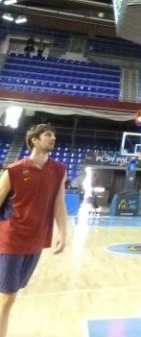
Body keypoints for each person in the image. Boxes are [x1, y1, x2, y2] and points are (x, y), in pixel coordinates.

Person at [0, 123, 67, 337]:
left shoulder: (59, 170)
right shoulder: (14, 170)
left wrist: (63, 234)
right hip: (11, 239)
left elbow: (59, 203)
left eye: (54, 134)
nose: (53, 137)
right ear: (35, 140)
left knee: (11, 293)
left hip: (36, 241)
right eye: (48, 134)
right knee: (8, 297)